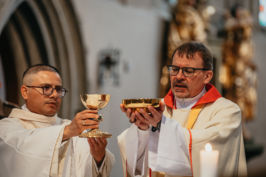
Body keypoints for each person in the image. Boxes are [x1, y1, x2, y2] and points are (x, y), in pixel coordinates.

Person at [118, 42, 247, 177]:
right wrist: (142, 130)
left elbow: (206, 146)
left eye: (188, 71)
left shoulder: (228, 111)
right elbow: (134, 157)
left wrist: (160, 126)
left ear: (207, 76)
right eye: (174, 69)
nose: (179, 76)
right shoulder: (158, 109)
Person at [0, 64, 114, 177]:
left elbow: (96, 169)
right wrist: (66, 132)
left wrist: (98, 158)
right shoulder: (6, 128)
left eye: (58, 89)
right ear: (25, 92)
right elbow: (20, 148)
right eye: (46, 88)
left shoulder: (72, 129)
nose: (54, 95)